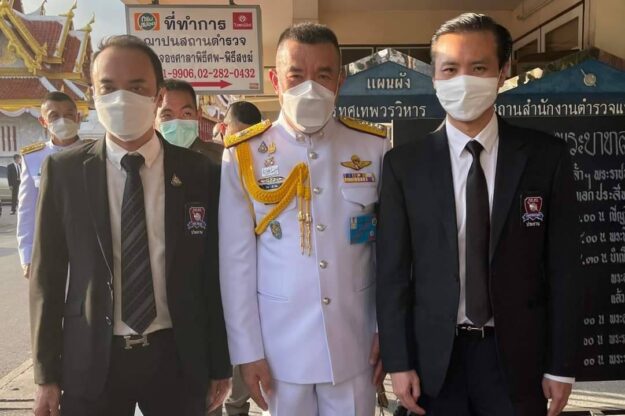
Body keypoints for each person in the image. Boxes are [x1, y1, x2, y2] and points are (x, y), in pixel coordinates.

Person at [376, 13, 580, 416]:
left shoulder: (545, 157)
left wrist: (562, 365)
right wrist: (398, 362)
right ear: (434, 76)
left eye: (479, 68)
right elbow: (393, 274)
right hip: (435, 362)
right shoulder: (404, 165)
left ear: (503, 72)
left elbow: (565, 270)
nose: (463, 80)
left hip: (518, 361)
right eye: (450, 69)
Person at [30, 35, 231, 416]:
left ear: (158, 95)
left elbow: (213, 273)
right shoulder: (64, 171)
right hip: (92, 359)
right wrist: (45, 375)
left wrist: (220, 365)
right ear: (93, 95)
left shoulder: (199, 172)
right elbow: (47, 278)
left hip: (178, 357)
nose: (121, 99)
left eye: (137, 87)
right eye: (108, 88)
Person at [219, 22, 388, 416]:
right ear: (276, 81)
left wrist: (386, 330)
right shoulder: (245, 153)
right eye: (296, 76)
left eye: (323, 75)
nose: (309, 87)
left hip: (355, 343)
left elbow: (387, 249)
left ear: (339, 82)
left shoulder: (372, 146)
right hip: (280, 351)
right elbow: (236, 263)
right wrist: (247, 351)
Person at [17, 92, 87, 279]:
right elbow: (27, 210)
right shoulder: (33, 158)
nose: (63, 120)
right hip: (49, 243)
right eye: (54, 116)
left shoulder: (94, 153)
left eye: (69, 115)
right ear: (43, 121)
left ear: (78, 118)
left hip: (89, 244)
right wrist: (27, 256)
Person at [155, 79, 224, 165]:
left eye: (186, 114)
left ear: (198, 116)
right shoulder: (145, 162)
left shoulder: (222, 159)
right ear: (153, 118)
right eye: (167, 115)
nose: (177, 124)